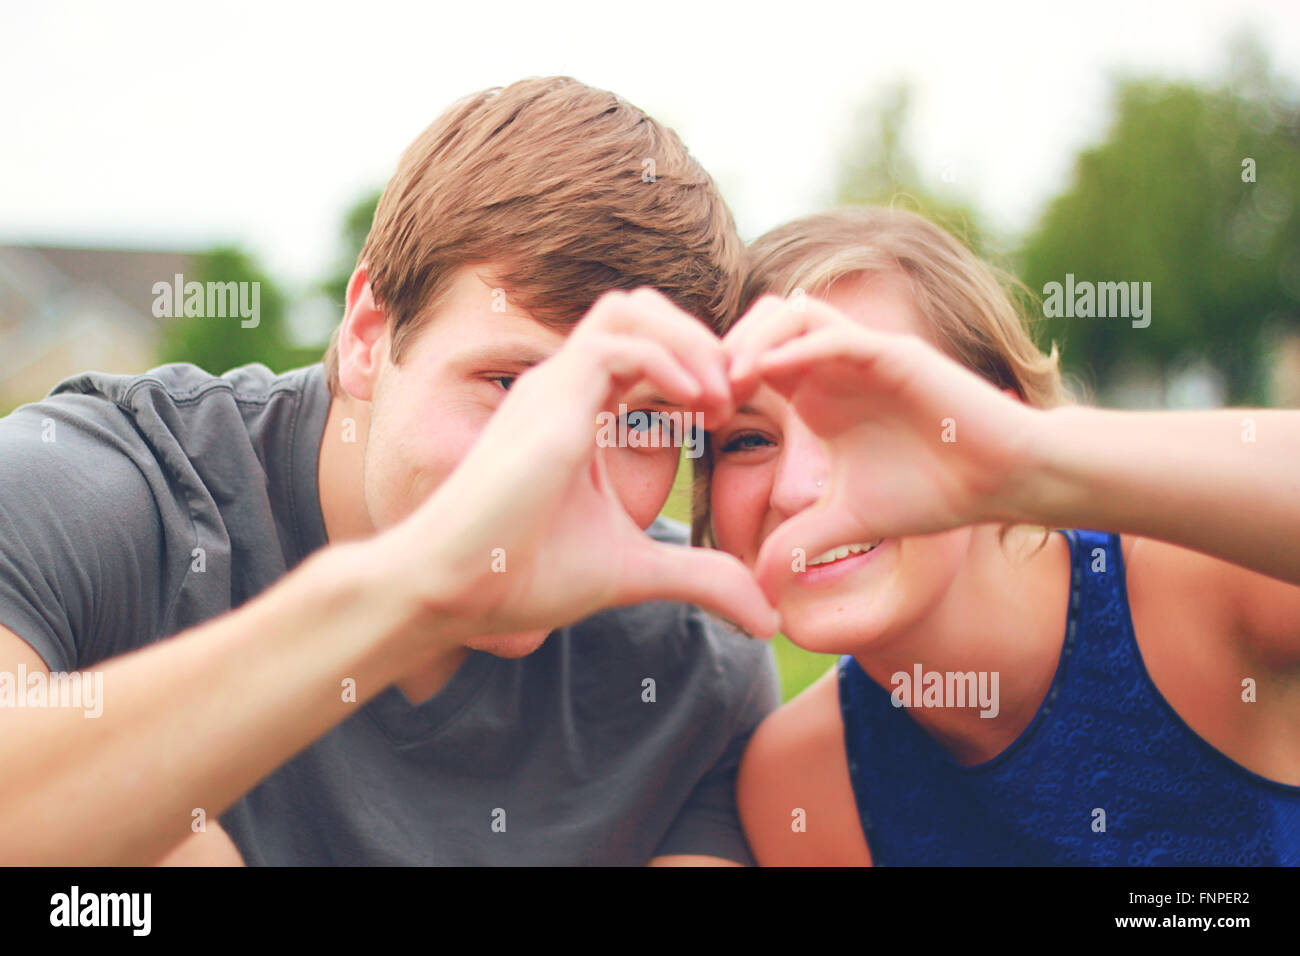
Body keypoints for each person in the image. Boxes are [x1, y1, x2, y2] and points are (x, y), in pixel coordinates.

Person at [0, 77, 781, 866]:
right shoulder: (89, 492)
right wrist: (405, 592)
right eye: (513, 388)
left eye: (643, 422)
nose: (564, 472)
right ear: (370, 333)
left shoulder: (691, 665)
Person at [702, 206, 1300, 865]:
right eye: (748, 439)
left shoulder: (1208, 583)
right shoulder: (801, 783)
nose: (795, 487)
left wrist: (1032, 458)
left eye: (861, 415)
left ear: (994, 419)